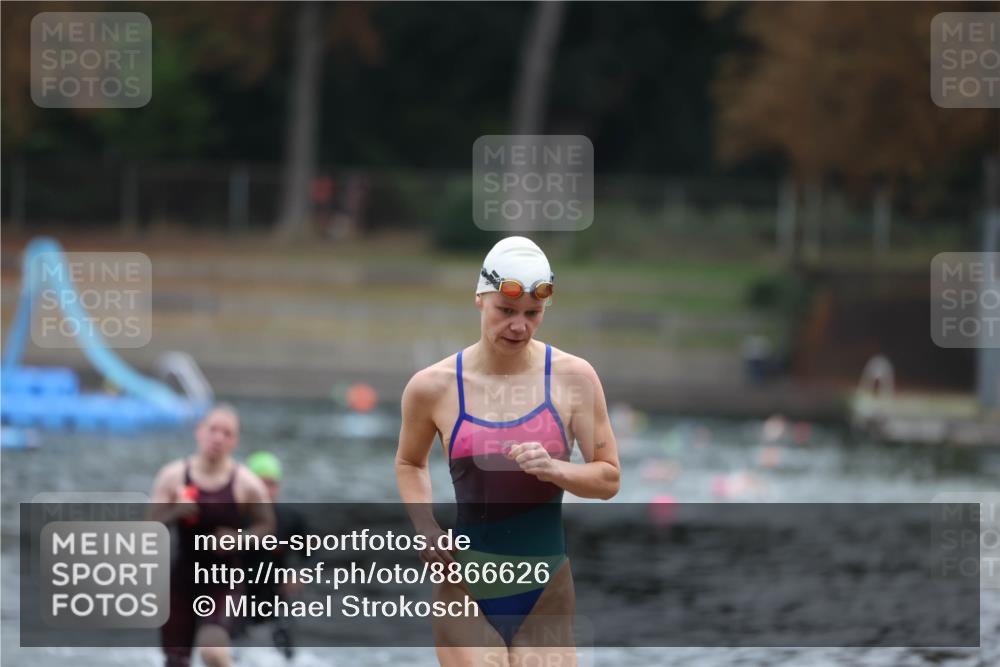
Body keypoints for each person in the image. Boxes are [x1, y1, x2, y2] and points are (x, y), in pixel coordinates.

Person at [395, 236, 621, 667]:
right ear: (480, 299)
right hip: (464, 584)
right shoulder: (433, 386)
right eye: (506, 311)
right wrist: (425, 526)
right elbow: (409, 461)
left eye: (532, 314)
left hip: (546, 589)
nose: (519, 326)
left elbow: (609, 478)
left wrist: (556, 469)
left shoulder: (574, 379)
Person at [150, 404, 275, 667]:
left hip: (224, 580)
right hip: (181, 581)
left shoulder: (246, 483)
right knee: (175, 661)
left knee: (213, 652)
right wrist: (173, 512)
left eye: (227, 433)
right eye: (213, 430)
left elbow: (267, 528)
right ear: (199, 432)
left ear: (235, 441)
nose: (218, 438)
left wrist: (240, 539)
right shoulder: (173, 476)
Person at [238, 450, 309, 660]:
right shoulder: (234, 518)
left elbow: (313, 553)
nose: (266, 491)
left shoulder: (290, 519)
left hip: (275, 593)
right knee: (232, 650)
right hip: (239, 593)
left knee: (287, 654)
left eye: (271, 484)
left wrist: (300, 574)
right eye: (260, 484)